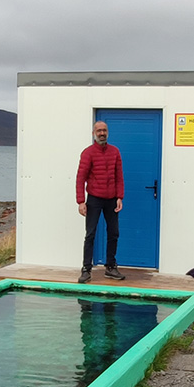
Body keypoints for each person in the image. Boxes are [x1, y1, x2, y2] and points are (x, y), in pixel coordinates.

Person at [76, 120, 125, 282]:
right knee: (90, 234)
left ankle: (110, 267)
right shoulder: (88, 153)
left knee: (114, 233)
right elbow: (80, 178)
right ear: (93, 133)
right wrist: (81, 202)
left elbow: (119, 176)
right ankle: (86, 269)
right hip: (94, 199)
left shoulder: (115, 152)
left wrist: (120, 197)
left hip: (111, 200)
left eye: (104, 130)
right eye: (99, 131)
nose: (102, 133)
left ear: (107, 132)